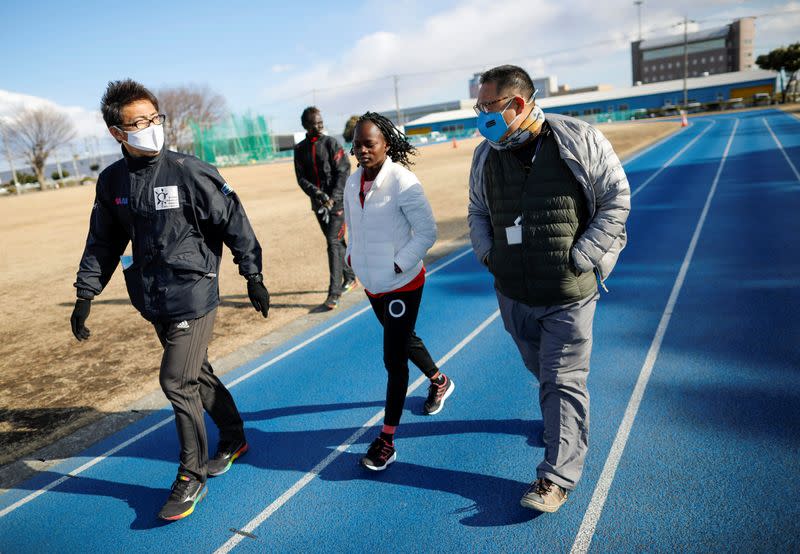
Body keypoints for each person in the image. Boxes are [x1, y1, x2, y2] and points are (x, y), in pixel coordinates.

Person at [70, 79, 271, 521]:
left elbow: (233, 220)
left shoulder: (188, 170)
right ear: (117, 133)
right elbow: (103, 241)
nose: (151, 127)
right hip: (152, 295)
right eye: (138, 122)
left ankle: (191, 475)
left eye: (155, 118)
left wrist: (252, 274)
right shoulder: (112, 182)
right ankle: (234, 435)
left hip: (194, 291)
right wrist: (86, 293)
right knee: (195, 373)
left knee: (175, 382)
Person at [468, 65, 630, 513]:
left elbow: (617, 198)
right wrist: (489, 255)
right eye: (479, 107)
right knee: (540, 369)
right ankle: (564, 422)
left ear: (517, 105)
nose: (481, 116)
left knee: (562, 379)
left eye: (488, 107)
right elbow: (478, 210)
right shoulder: (486, 154)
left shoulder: (578, 140)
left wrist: (583, 256)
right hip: (514, 293)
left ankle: (556, 477)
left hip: (568, 293)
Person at [344, 112, 454, 471]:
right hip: (373, 283)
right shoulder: (351, 182)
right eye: (357, 143)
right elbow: (354, 228)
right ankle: (439, 381)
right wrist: (353, 258)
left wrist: (396, 265)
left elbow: (427, 233)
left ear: (386, 144)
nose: (361, 150)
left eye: (369, 143)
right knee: (403, 340)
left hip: (402, 283)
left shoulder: (403, 182)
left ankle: (387, 440)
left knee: (394, 358)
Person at [294, 106, 357, 310]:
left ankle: (334, 293)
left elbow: (343, 171)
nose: (320, 126)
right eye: (315, 124)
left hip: (337, 204)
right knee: (337, 241)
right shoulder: (300, 149)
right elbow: (301, 178)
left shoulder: (331, 143)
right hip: (319, 205)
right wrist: (318, 195)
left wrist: (333, 197)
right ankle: (350, 277)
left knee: (332, 242)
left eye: (321, 122)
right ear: (305, 125)